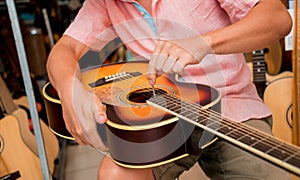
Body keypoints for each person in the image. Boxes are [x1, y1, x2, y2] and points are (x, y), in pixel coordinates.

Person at [46, 0, 293, 179]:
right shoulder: (102, 3)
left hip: (231, 105)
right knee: (114, 175)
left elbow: (277, 18)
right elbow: (64, 49)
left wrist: (203, 43)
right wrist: (70, 89)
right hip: (161, 119)